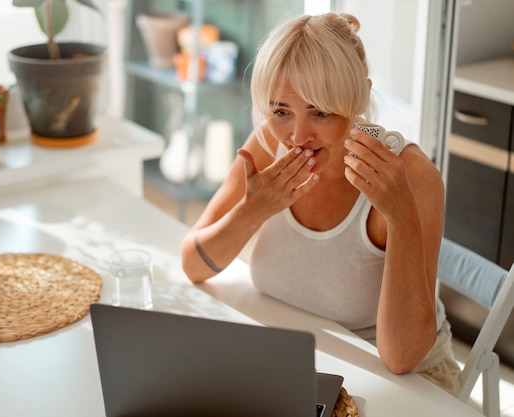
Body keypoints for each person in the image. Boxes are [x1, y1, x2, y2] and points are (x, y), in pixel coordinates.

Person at [181, 12, 461, 395]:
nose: (297, 136)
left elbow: (402, 359)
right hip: (297, 360)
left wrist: (402, 218)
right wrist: (254, 210)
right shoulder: (266, 143)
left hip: (401, 381)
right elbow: (193, 266)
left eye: (320, 111)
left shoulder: (410, 178)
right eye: (280, 110)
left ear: (360, 97)